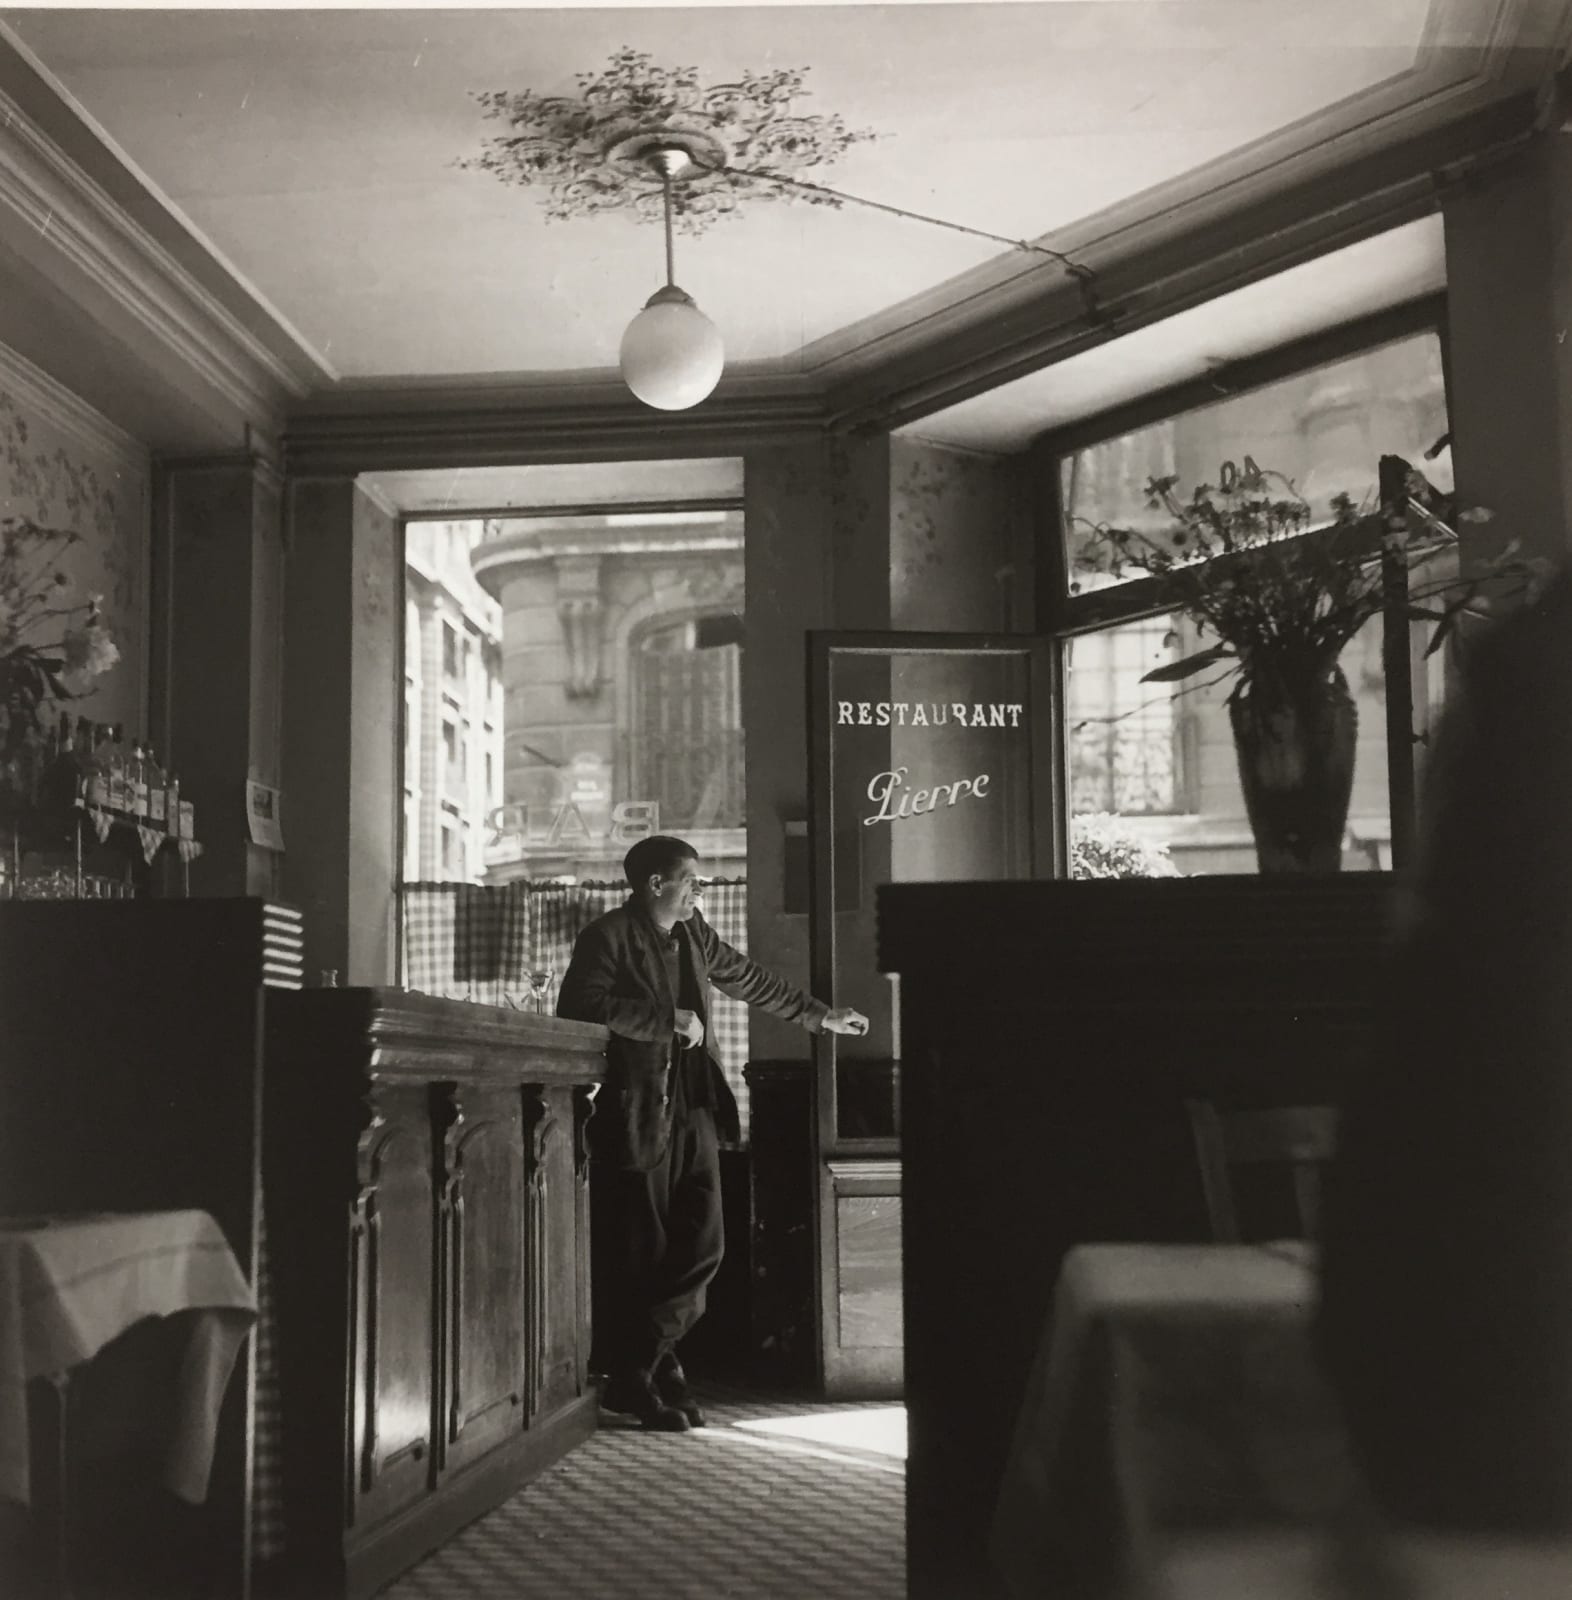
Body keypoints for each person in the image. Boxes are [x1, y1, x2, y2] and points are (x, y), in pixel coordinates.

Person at [557, 834, 868, 1432]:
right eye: (691, 880)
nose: (700, 890)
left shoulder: (696, 934)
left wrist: (820, 1016)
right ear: (656, 884)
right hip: (640, 1113)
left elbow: (749, 979)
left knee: (704, 1246)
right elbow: (580, 1008)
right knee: (643, 1256)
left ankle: (636, 1368)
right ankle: (652, 1374)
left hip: (696, 1109)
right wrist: (663, 1021)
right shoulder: (608, 937)